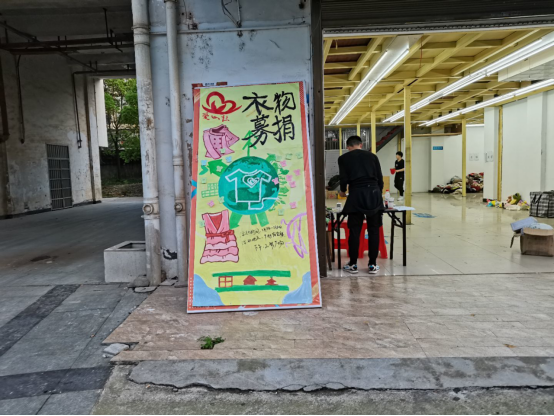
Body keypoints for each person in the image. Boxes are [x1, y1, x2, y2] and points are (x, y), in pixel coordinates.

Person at [338, 136, 384, 275]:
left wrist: (343, 191)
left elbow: (343, 178)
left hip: (356, 194)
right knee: (374, 230)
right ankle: (372, 265)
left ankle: (353, 264)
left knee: (354, 231)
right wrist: (377, 193)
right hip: (374, 193)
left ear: (348, 147)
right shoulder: (373, 156)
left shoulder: (344, 158)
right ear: (361, 144)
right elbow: (380, 178)